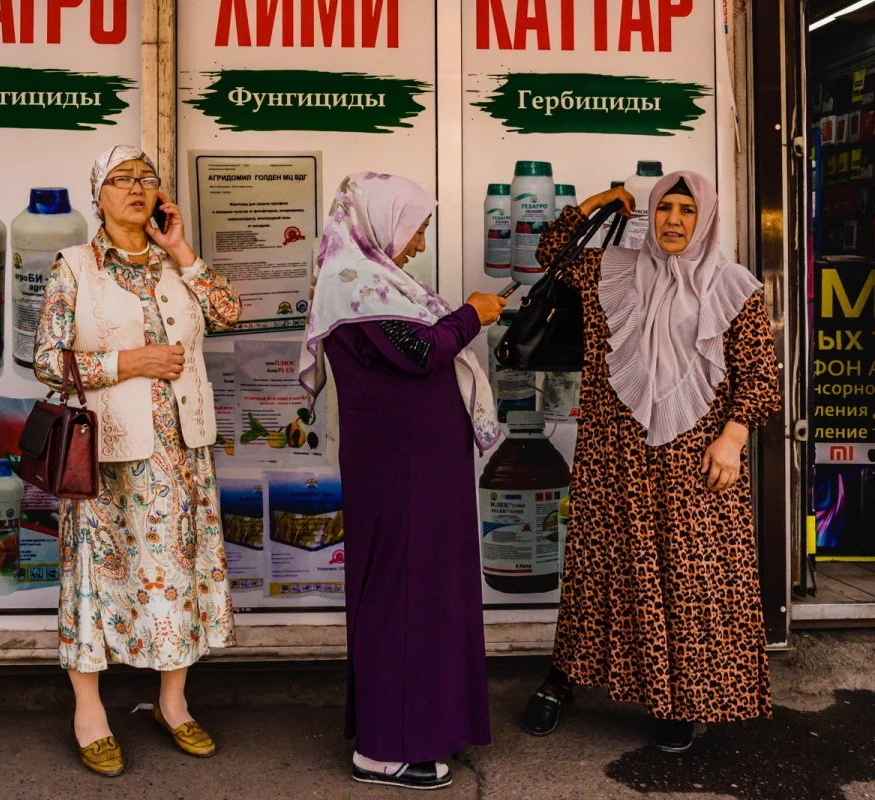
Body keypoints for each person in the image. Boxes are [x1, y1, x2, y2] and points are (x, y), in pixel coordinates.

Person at [520, 172, 781, 752]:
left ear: (705, 219)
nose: (674, 221)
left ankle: (679, 699)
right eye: (666, 208)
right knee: (598, 571)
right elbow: (549, 252)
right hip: (613, 458)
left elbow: (760, 377)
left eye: (688, 210)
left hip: (693, 462)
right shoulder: (611, 269)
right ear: (651, 214)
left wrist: (733, 437)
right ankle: (562, 680)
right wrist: (598, 202)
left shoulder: (733, 287)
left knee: (689, 577)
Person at [34, 145, 239, 777]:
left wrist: (181, 248)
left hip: (180, 454)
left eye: (145, 178)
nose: (134, 187)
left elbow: (228, 313)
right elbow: (48, 362)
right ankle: (89, 713)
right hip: (106, 457)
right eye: (120, 179)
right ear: (97, 197)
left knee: (179, 572)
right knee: (94, 577)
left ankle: (173, 704)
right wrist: (131, 362)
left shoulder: (175, 264)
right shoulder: (74, 266)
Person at [299, 172, 507, 790]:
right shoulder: (353, 281)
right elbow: (419, 351)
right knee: (401, 595)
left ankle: (425, 727)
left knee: (427, 594)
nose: (417, 245)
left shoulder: (372, 278)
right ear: (381, 218)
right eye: (415, 229)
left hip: (419, 467)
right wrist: (474, 314)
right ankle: (384, 749)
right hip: (401, 470)